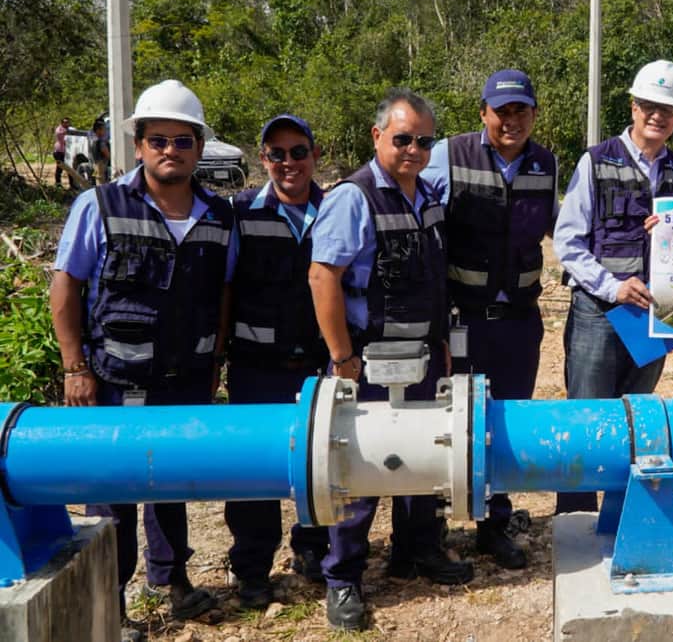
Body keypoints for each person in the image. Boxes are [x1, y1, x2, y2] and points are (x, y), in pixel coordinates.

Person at [49, 80, 234, 640]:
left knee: (173, 483)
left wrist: (215, 361)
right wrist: (75, 368)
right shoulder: (99, 206)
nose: (170, 150)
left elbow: (223, 295)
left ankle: (173, 581)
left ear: (199, 147)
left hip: (187, 380)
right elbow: (66, 287)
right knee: (113, 496)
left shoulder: (219, 216)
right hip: (115, 381)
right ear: (138, 145)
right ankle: (109, 606)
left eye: (182, 140)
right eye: (158, 140)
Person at [309, 88, 473, 632]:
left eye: (424, 142)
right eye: (403, 139)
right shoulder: (353, 198)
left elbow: (432, 278)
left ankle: (417, 552)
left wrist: (441, 339)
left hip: (422, 355)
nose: (414, 150)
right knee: (357, 470)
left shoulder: (428, 196)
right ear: (377, 136)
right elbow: (323, 277)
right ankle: (343, 578)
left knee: (425, 457)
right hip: (368, 361)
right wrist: (342, 357)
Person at [421, 69, 556, 570]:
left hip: (519, 320)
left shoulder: (546, 164)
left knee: (506, 425)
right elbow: (410, 205)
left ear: (534, 115)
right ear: (483, 113)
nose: (511, 120)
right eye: (502, 111)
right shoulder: (448, 155)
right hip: (463, 318)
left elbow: (566, 228)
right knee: (447, 421)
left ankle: (493, 525)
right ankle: (431, 528)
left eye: (521, 110)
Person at [552, 59, 673, 513]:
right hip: (599, 312)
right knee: (587, 417)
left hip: (653, 315)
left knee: (636, 417)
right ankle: (575, 515)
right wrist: (612, 287)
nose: (657, 115)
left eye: (668, 109)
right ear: (633, 107)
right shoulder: (596, 161)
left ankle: (619, 513)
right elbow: (568, 241)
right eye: (649, 106)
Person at [223, 114, 329, 608]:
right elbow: (225, 288)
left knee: (321, 462)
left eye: (298, 152)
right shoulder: (240, 213)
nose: (289, 162)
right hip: (256, 366)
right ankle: (252, 569)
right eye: (277, 154)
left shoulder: (335, 210)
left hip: (318, 366)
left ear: (315, 155)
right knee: (254, 470)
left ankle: (314, 549)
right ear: (263, 159)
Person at [90, 119, 111, 184]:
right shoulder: (101, 142)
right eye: (103, 129)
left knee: (98, 183)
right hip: (101, 167)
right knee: (102, 185)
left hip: (96, 166)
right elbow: (107, 154)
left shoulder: (93, 139)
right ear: (98, 130)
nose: (105, 131)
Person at [53, 116, 69, 187]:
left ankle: (72, 185)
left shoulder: (69, 129)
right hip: (59, 151)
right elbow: (59, 134)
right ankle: (58, 183)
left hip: (67, 152)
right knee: (59, 168)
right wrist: (65, 132)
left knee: (69, 168)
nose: (67, 124)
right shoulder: (59, 129)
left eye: (68, 122)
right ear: (62, 123)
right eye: (65, 122)